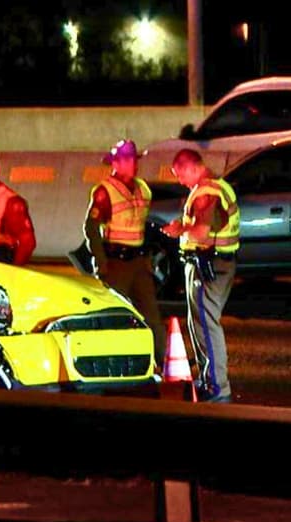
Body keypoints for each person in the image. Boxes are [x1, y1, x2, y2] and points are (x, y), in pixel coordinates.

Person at [160, 149, 240, 403]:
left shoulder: (206, 192)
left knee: (206, 326)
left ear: (190, 167)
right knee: (202, 323)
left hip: (208, 265)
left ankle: (217, 387)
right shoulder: (220, 186)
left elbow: (202, 232)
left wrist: (178, 229)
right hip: (219, 263)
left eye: (179, 175)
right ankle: (210, 380)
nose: (180, 181)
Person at [83, 139, 166, 367]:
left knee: (151, 317)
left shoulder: (143, 189)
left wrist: (148, 258)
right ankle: (104, 363)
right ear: (116, 163)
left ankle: (161, 363)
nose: (133, 164)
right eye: (127, 160)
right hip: (116, 263)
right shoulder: (104, 192)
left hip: (139, 262)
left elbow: (144, 226)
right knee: (111, 315)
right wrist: (101, 261)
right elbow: (91, 227)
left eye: (134, 159)